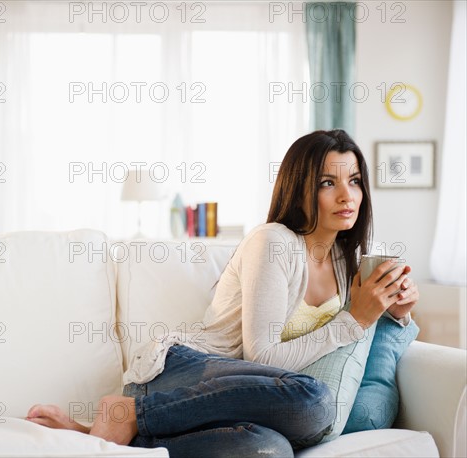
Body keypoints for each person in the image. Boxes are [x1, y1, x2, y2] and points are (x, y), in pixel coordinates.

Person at [25, 129, 419, 457]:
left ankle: (111, 431)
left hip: (252, 398)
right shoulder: (273, 242)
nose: (346, 196)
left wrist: (396, 314)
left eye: (353, 181)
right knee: (314, 401)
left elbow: (335, 357)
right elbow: (261, 355)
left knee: (268, 449)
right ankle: (134, 410)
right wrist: (355, 320)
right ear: (299, 189)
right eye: (327, 183)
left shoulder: (343, 260)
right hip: (182, 373)